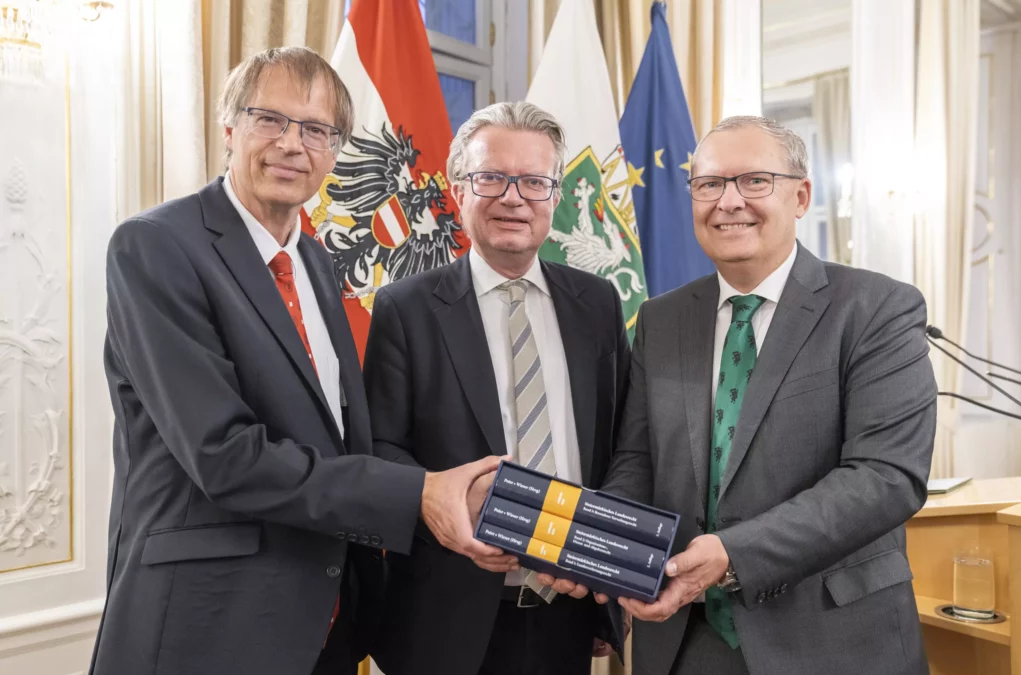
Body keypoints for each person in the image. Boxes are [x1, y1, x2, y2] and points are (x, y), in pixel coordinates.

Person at [89, 46, 502, 675]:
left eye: (316, 130)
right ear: (228, 130)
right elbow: (224, 457)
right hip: (207, 624)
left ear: (335, 153)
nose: (292, 144)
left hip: (323, 620)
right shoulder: (156, 248)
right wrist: (418, 492)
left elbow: (334, 433)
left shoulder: (313, 259)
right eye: (270, 120)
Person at [542, 116, 936, 675]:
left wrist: (733, 555)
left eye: (754, 181)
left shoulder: (877, 309)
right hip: (684, 638)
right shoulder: (662, 317)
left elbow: (886, 478)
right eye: (709, 184)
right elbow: (638, 460)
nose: (728, 201)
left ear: (800, 195)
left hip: (835, 638)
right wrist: (600, 548)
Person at [363, 101, 630, 675]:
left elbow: (620, 444)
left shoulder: (599, 303)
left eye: (534, 181)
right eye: (492, 178)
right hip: (444, 615)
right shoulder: (405, 308)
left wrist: (608, 574)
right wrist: (444, 500)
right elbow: (378, 451)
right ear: (459, 189)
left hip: (571, 604)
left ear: (556, 196)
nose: (514, 198)